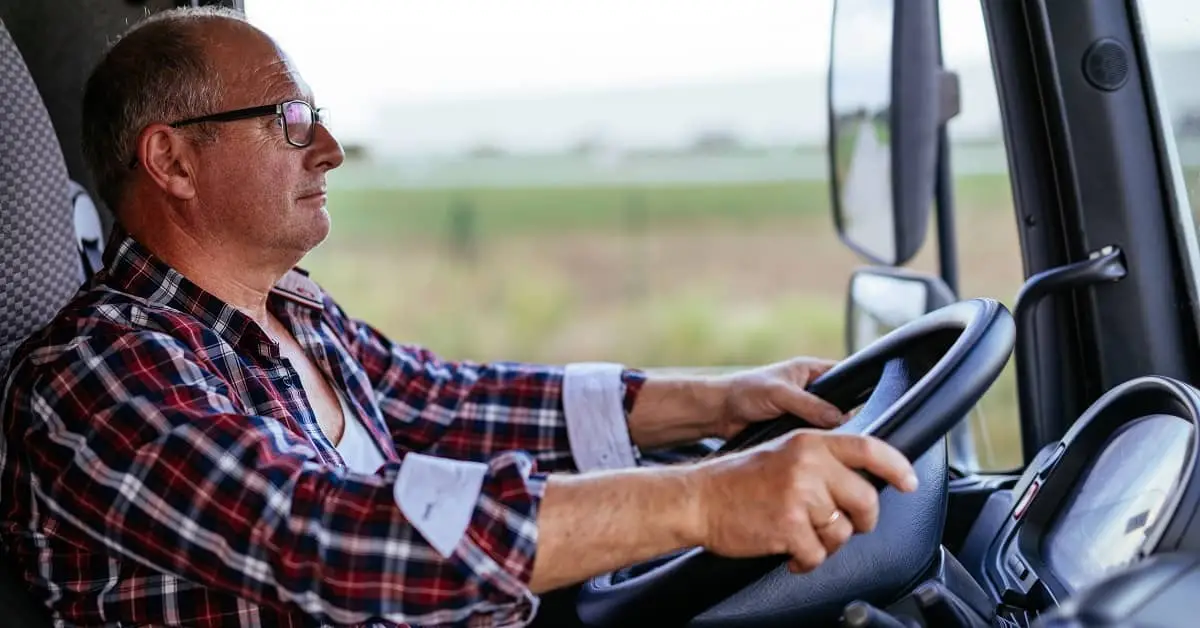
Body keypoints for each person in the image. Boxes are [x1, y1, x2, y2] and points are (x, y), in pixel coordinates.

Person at [0, 6, 918, 627]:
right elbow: (330, 536)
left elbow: (449, 401)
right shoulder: (94, 379)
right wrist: (708, 499)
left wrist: (722, 402)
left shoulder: (292, 315)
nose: (329, 148)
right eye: (287, 119)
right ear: (172, 161)